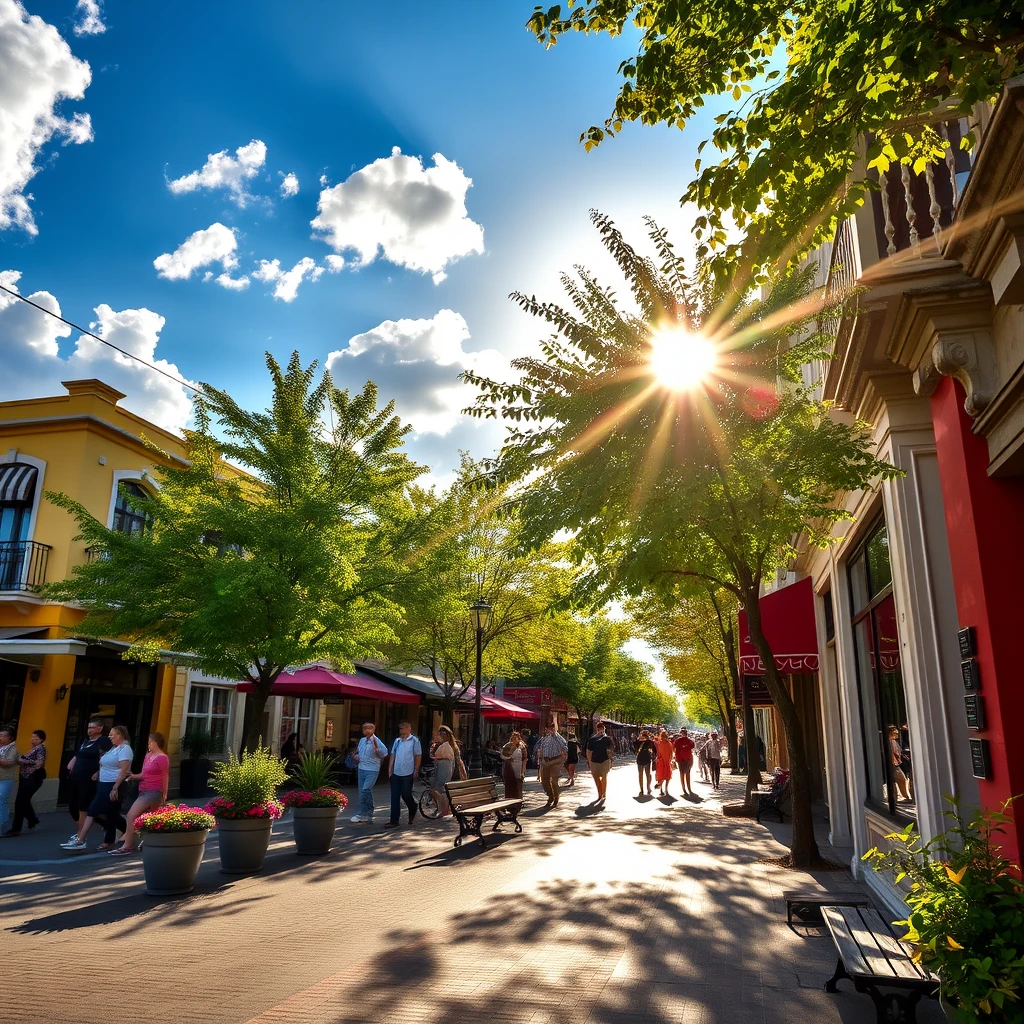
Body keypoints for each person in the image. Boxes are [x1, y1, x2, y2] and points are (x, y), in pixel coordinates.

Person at [62, 725, 132, 851]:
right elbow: (104, 764)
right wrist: (98, 773)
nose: (110, 737)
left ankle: (81, 840)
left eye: (112, 734)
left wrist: (115, 787)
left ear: (120, 735)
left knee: (93, 810)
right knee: (111, 814)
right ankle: (120, 837)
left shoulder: (125, 749)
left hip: (113, 784)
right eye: (109, 734)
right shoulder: (113, 749)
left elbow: (123, 770)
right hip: (103, 783)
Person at [111, 732, 169, 856]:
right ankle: (147, 841)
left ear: (155, 742)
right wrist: (132, 776)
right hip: (143, 790)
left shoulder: (162, 758)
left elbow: (165, 776)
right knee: (150, 819)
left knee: (132, 815)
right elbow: (143, 774)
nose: (148, 744)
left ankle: (128, 846)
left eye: (150, 742)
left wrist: (164, 795)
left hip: (154, 791)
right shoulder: (148, 756)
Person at [65, 719, 112, 840]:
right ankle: (92, 827)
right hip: (76, 776)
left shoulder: (103, 741)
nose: (89, 730)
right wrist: (72, 761)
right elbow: (78, 754)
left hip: (89, 777)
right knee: (72, 806)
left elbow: (106, 758)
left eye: (92, 727)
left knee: (83, 806)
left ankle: (81, 835)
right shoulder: (85, 741)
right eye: (88, 727)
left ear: (100, 728)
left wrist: (98, 772)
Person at [3, 729, 46, 837]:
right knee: (23, 801)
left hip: (32, 778)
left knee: (20, 802)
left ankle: (16, 828)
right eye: (32, 737)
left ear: (41, 739)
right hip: (25, 778)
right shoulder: (32, 749)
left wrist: (22, 760)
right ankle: (32, 819)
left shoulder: (40, 749)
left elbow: (39, 763)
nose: (32, 740)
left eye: (35, 738)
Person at [385, 721, 422, 828]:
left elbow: (418, 755)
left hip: (408, 771)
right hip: (396, 771)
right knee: (395, 796)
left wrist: (416, 769)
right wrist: (390, 769)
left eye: (402, 728)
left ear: (408, 728)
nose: (400, 730)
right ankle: (394, 820)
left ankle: (413, 807)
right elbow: (393, 754)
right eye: (400, 728)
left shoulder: (414, 741)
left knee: (406, 794)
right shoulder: (397, 741)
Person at [350, 721, 388, 823]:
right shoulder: (362, 740)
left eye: (368, 728)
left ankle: (363, 813)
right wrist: (356, 757)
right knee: (362, 791)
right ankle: (367, 813)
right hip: (361, 768)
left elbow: (384, 753)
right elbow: (361, 753)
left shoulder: (376, 740)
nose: (365, 730)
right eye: (364, 728)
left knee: (365, 790)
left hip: (372, 770)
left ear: (373, 730)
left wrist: (377, 749)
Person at [535, 722, 569, 808]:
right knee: (544, 781)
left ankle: (556, 796)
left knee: (554, 780)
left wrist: (555, 735)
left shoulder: (558, 738)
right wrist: (540, 756)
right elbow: (540, 749)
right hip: (546, 761)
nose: (551, 729)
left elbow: (564, 746)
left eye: (552, 728)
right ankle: (550, 796)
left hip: (556, 760)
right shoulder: (544, 739)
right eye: (549, 728)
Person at [431, 725, 459, 815]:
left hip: (443, 770)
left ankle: (443, 810)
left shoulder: (445, 746)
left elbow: (437, 756)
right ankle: (444, 809)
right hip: (448, 770)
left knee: (440, 789)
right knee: (442, 789)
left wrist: (433, 756)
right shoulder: (451, 746)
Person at [586, 721, 615, 803]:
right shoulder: (592, 739)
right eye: (599, 728)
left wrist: (611, 760)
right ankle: (600, 792)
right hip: (594, 761)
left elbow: (610, 750)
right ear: (597, 729)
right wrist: (589, 761)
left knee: (604, 776)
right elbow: (589, 751)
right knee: (596, 777)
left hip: (605, 760)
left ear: (604, 729)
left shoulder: (607, 739)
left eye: (602, 728)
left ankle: (603, 793)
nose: (601, 730)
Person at [0, 727, 18, 837]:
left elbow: (9, 762)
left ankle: (2, 827)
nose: (0, 737)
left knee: (1, 801)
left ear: (10, 738)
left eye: (3, 735)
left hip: (6, 779)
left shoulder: (13, 749)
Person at [501, 731, 528, 798]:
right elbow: (502, 755)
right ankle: (509, 798)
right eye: (513, 738)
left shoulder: (522, 747)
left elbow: (525, 759)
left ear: (518, 739)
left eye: (515, 739)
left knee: (518, 784)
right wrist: (507, 758)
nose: (514, 740)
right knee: (509, 784)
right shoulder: (507, 746)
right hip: (509, 767)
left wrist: (523, 772)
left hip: (518, 767)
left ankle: (519, 800)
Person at [888, 725, 911, 801]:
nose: (897, 735)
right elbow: (893, 753)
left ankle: (902, 796)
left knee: (900, 780)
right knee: (901, 779)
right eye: (895, 733)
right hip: (893, 764)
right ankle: (902, 797)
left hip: (896, 763)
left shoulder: (893, 741)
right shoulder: (889, 742)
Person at [673, 729, 696, 796]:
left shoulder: (677, 740)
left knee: (682, 773)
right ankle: (688, 789)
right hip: (687, 758)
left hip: (681, 759)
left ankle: (685, 789)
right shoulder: (690, 741)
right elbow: (692, 746)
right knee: (687, 773)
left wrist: (676, 756)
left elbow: (674, 749)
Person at [634, 730, 657, 796]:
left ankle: (646, 788)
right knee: (644, 774)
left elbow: (654, 750)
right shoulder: (638, 742)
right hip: (644, 757)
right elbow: (634, 746)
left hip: (644, 757)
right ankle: (644, 789)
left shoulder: (649, 741)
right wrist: (639, 740)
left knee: (645, 774)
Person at [655, 730, 674, 797]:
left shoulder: (659, 743)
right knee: (667, 776)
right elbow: (671, 753)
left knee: (661, 776)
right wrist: (670, 760)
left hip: (661, 761)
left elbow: (658, 753)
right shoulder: (669, 743)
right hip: (667, 762)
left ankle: (661, 789)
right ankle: (666, 789)